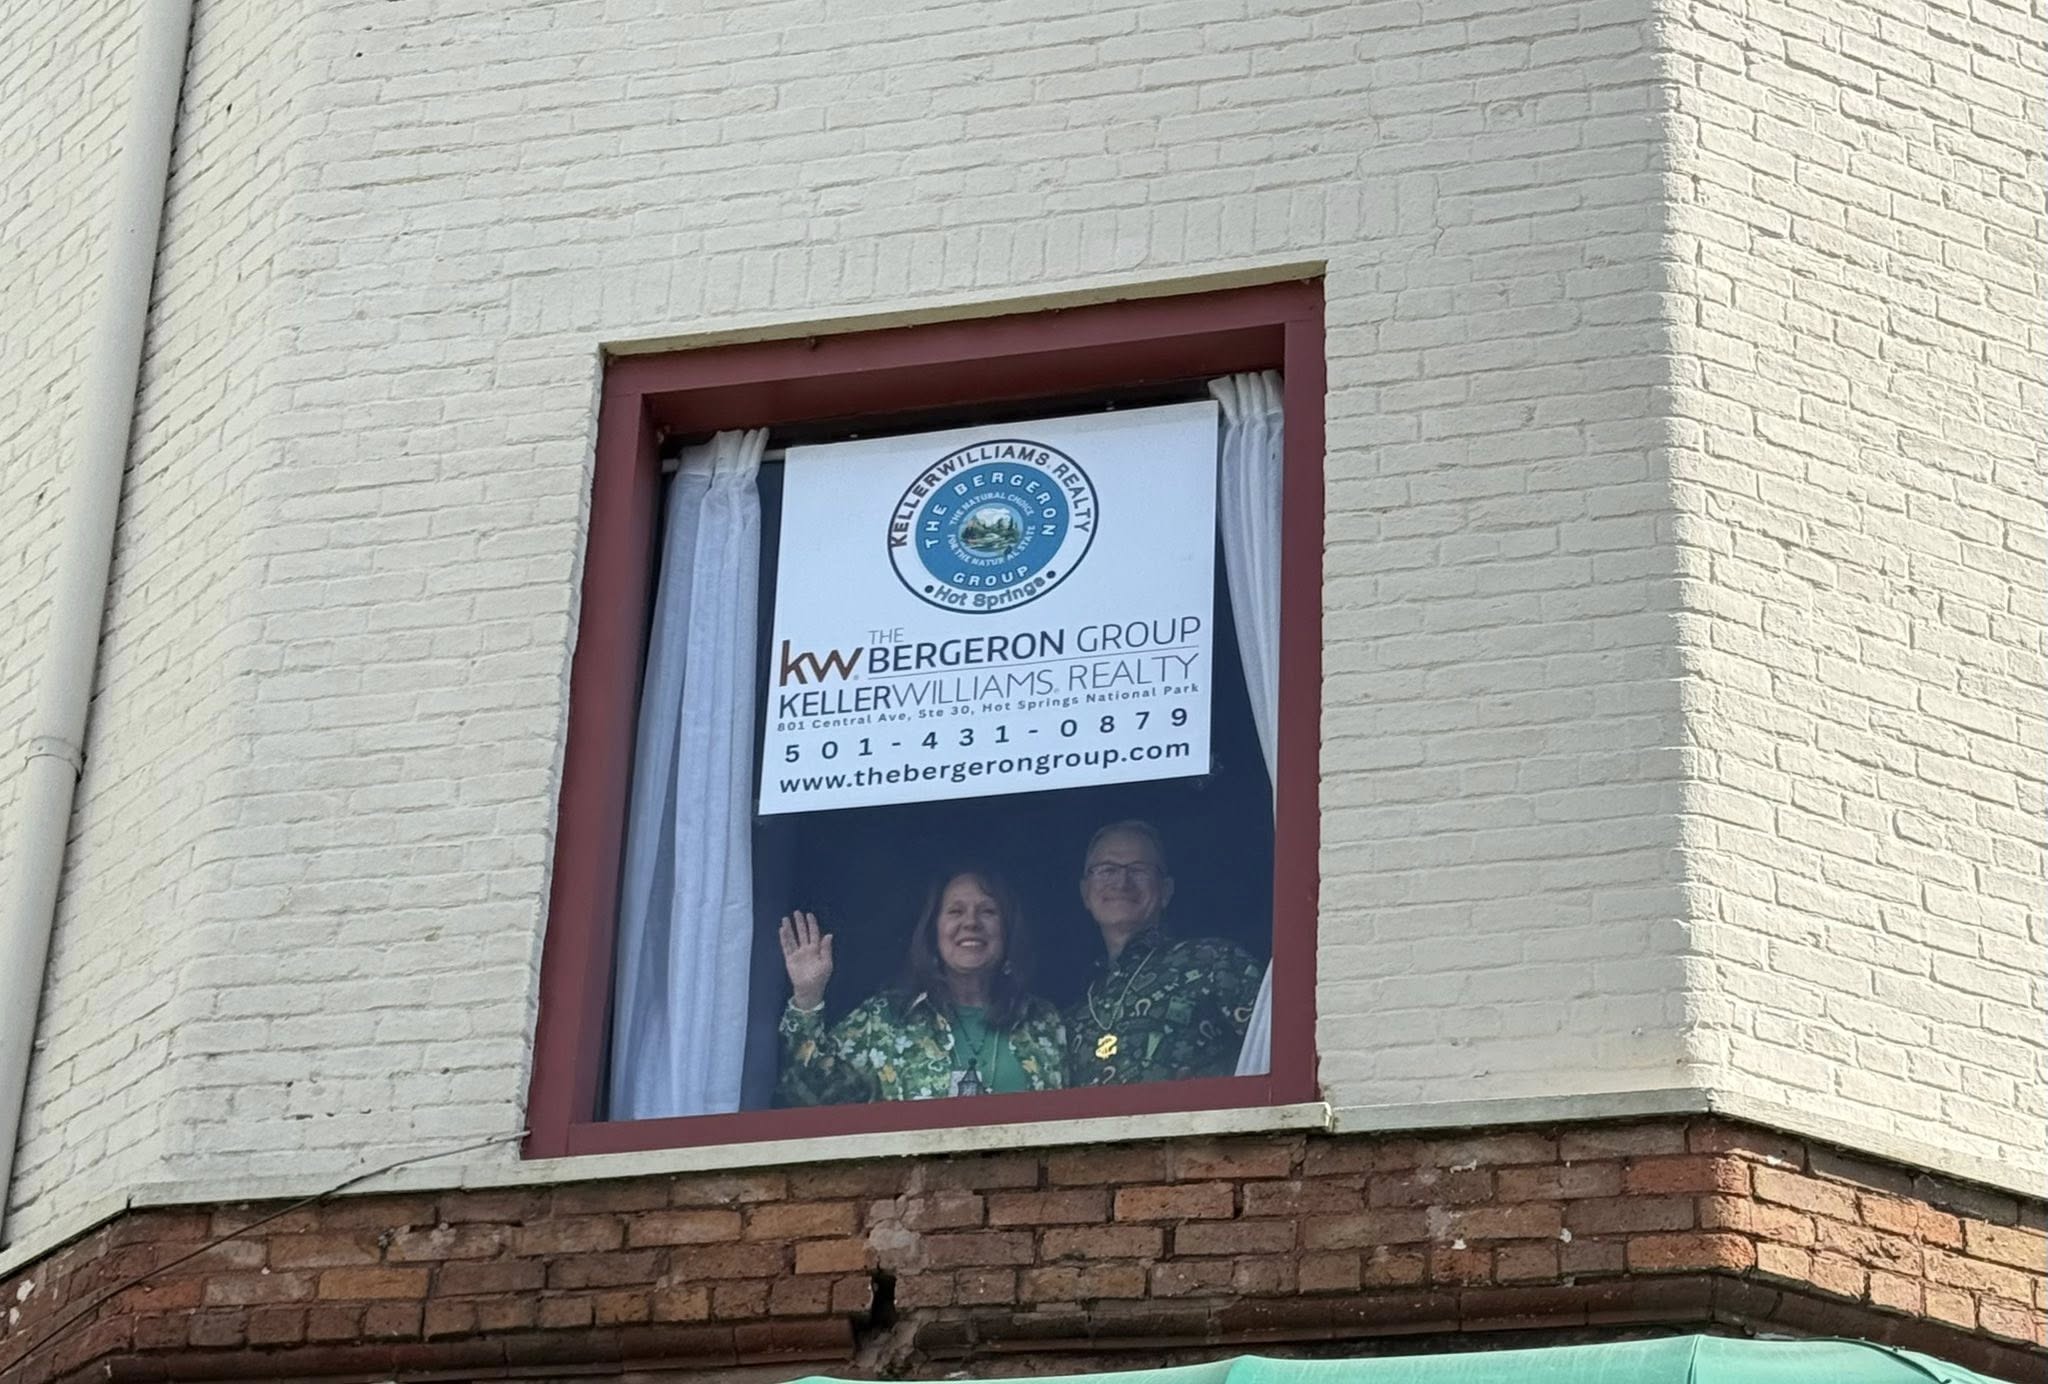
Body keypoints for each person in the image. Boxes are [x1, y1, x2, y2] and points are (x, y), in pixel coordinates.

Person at [776, 868, 1068, 1105]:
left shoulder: (1041, 1019)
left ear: (1007, 930)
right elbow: (808, 1097)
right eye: (955, 911)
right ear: (933, 931)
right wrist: (807, 995)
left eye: (988, 911)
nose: (971, 922)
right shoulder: (886, 1019)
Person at [1065, 820, 1264, 1085]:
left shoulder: (1214, 961)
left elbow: (1280, 1045)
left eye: (1139, 870)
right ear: (1085, 894)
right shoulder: (1074, 1012)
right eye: (1106, 870)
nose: (1122, 882)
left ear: (1166, 891)